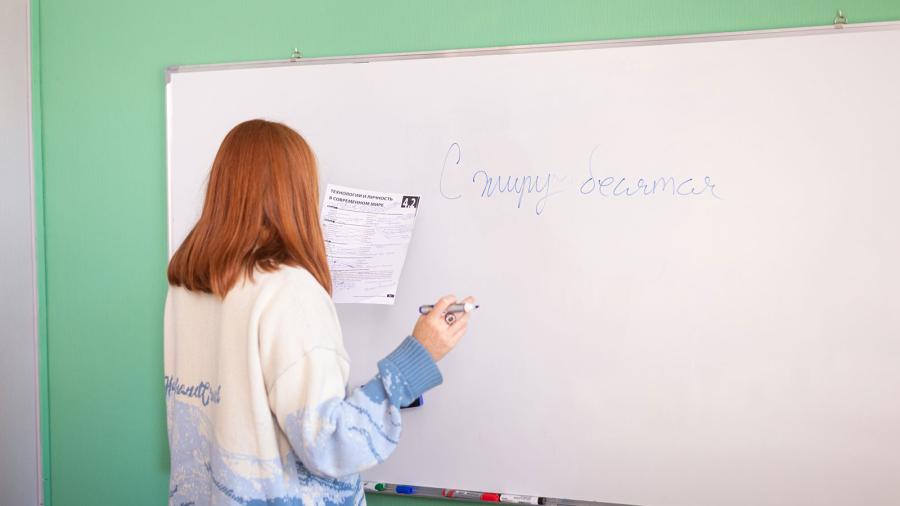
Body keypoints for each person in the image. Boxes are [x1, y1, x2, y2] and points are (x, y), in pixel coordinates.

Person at [164, 119, 474, 505]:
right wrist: (419, 355)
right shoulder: (288, 291)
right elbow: (331, 445)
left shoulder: (188, 286)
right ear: (294, 194)